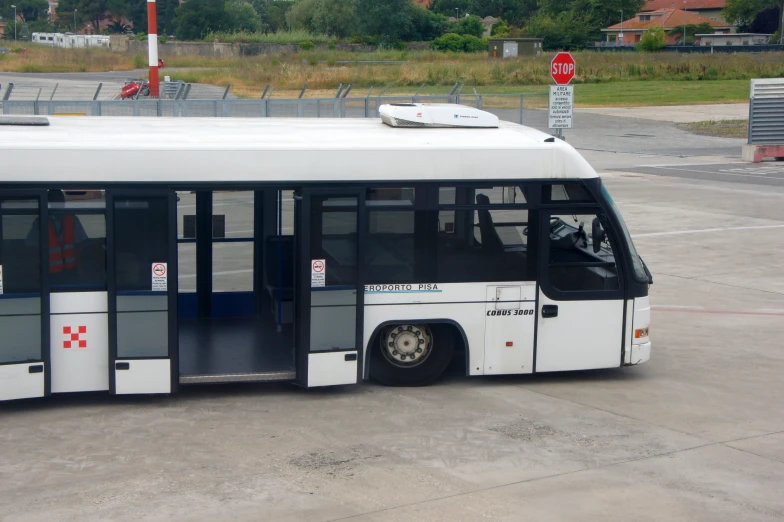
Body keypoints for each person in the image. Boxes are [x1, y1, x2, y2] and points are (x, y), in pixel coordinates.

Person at [26, 191, 89, 281]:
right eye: (57, 201)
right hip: (49, 272)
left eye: (61, 201)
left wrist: (79, 269)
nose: (61, 203)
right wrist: (37, 271)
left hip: (70, 270)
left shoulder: (72, 219)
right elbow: (32, 247)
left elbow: (79, 246)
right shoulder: (40, 221)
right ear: (49, 203)